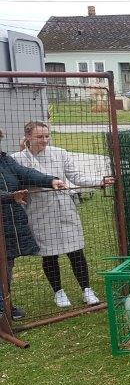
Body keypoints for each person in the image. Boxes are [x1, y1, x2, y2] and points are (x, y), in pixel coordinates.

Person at [12, 121, 112, 308]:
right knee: (49, 254)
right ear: (28, 137)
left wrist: (99, 181)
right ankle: (58, 291)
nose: (44, 140)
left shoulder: (60, 153)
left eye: (46, 136)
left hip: (64, 208)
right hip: (39, 211)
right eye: (39, 137)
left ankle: (87, 290)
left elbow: (76, 177)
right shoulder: (17, 158)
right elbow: (16, 183)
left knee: (76, 251)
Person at [0, 128, 65, 320]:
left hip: (7, 223)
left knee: (5, 266)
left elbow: (25, 173)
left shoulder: (4, 160)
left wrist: (50, 180)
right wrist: (9, 196)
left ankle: (5, 306)